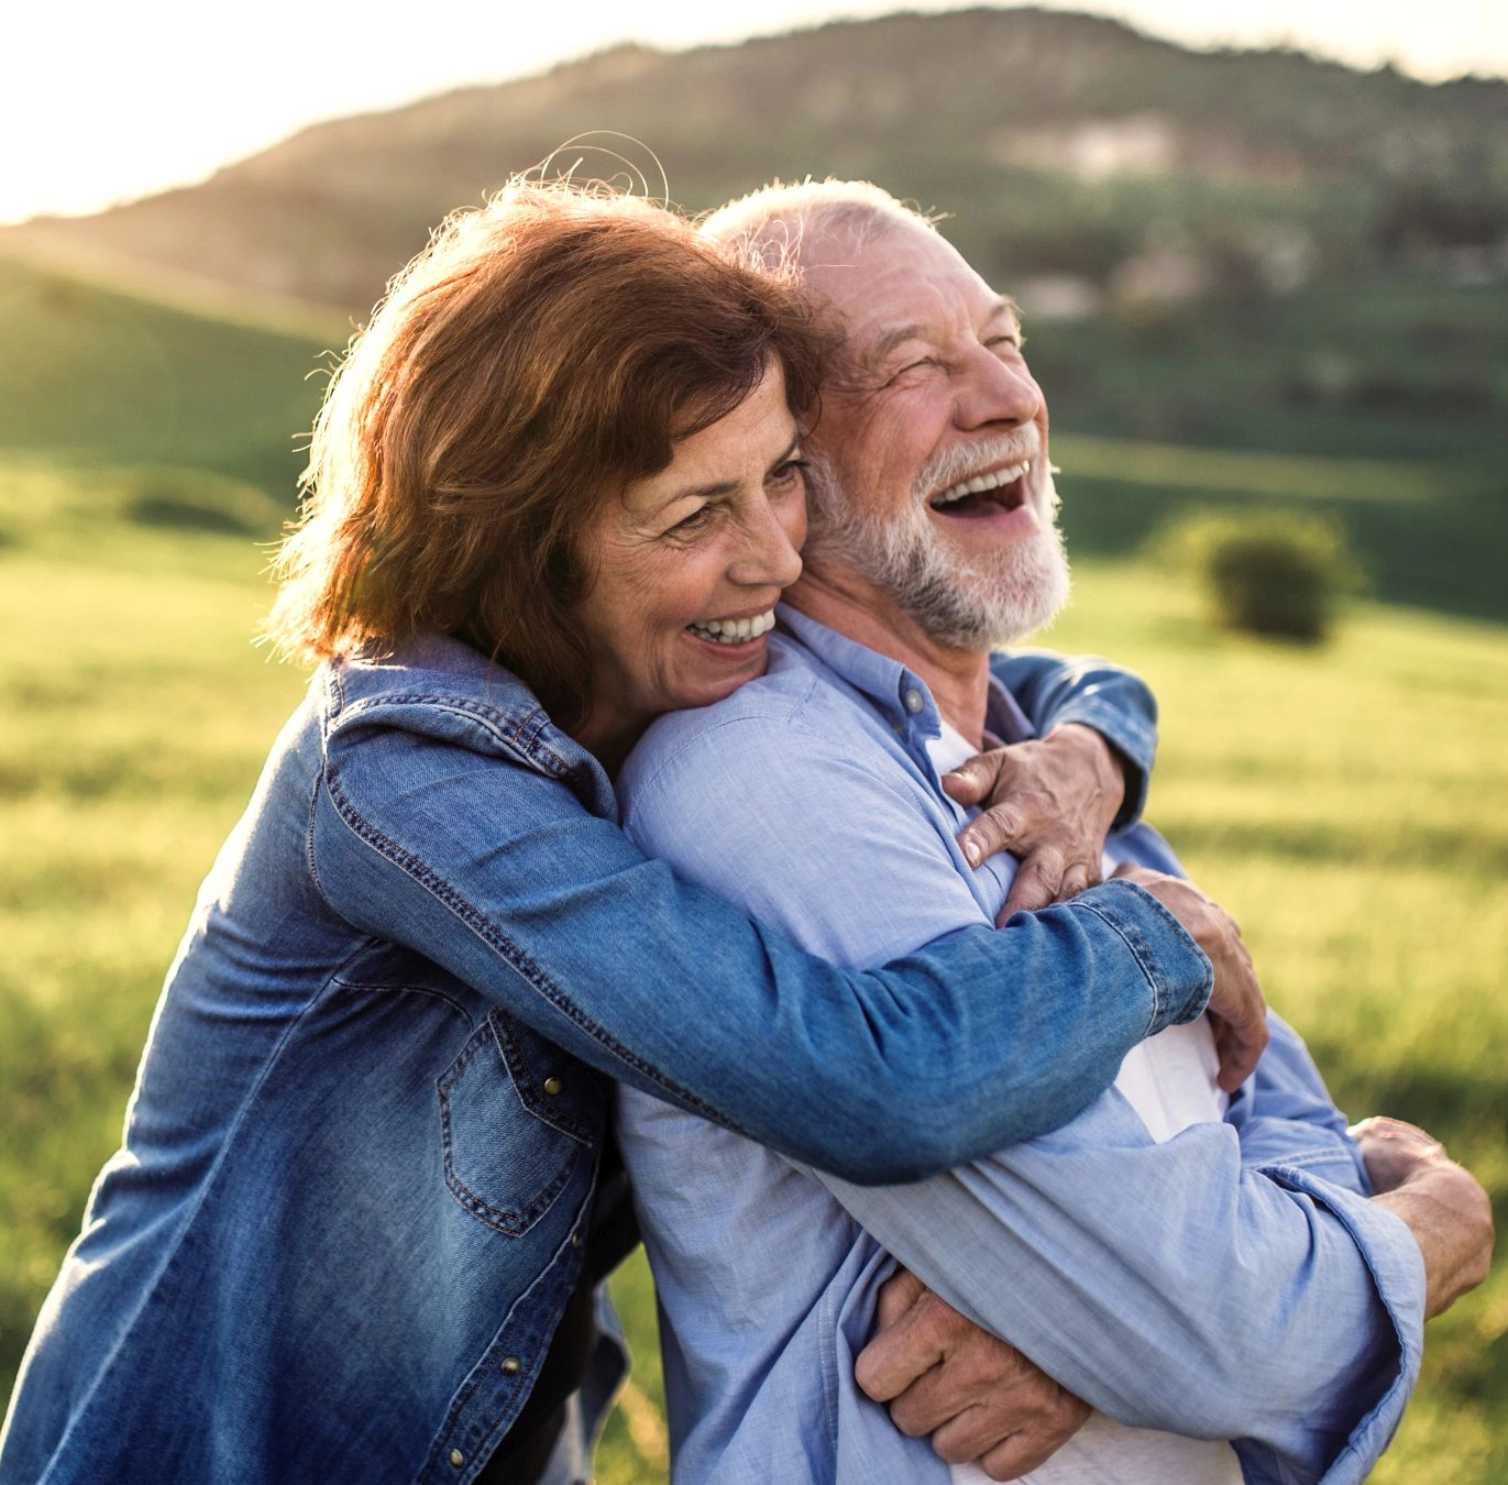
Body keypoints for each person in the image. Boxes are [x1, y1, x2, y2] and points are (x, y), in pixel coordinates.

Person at [0, 180, 1267, 1485]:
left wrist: (1088, 755)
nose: (774, 556)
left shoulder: (650, 681)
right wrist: (1150, 935)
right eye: (698, 516)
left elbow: (1044, 684)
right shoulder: (405, 779)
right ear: (528, 547)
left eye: (780, 477)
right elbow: (866, 1083)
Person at [614, 179, 1494, 1484]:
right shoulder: (768, 782)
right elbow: (1225, 1334)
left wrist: (1109, 1319)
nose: (1006, 399)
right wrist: (1438, 1226)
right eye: (913, 365)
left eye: (1006, 341)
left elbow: (1268, 1122)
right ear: (776, 463)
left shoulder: (1046, 765)